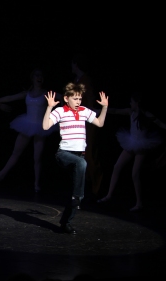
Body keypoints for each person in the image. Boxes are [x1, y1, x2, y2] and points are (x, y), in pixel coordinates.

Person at [42, 83, 109, 234]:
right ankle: (77, 196)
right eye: (75, 98)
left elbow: (99, 123)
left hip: (79, 156)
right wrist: (49, 107)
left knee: (75, 187)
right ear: (66, 98)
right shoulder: (60, 111)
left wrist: (104, 108)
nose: (78, 101)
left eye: (80, 98)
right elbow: (45, 126)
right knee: (81, 165)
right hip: (64, 154)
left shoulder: (84, 111)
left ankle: (66, 222)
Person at [0, 68, 59, 193]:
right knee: (16, 152)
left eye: (41, 75)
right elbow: (11, 97)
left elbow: (63, 97)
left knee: (37, 157)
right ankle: (1, 174)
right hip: (27, 124)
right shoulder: (27, 93)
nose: (39, 77)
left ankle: (36, 184)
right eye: (36, 75)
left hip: (41, 126)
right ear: (32, 78)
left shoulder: (47, 93)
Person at [97, 93, 166, 211]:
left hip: (142, 145)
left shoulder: (146, 115)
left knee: (135, 173)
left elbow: (160, 124)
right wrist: (100, 109)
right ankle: (109, 195)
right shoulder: (130, 112)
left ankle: (139, 203)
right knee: (117, 166)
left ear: (137, 103)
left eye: (131, 101)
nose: (130, 103)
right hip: (131, 142)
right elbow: (115, 111)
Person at [72, 53, 103, 198]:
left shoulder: (85, 80)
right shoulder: (78, 80)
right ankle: (84, 187)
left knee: (89, 153)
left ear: (76, 65)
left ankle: (97, 188)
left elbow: (89, 99)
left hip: (87, 120)